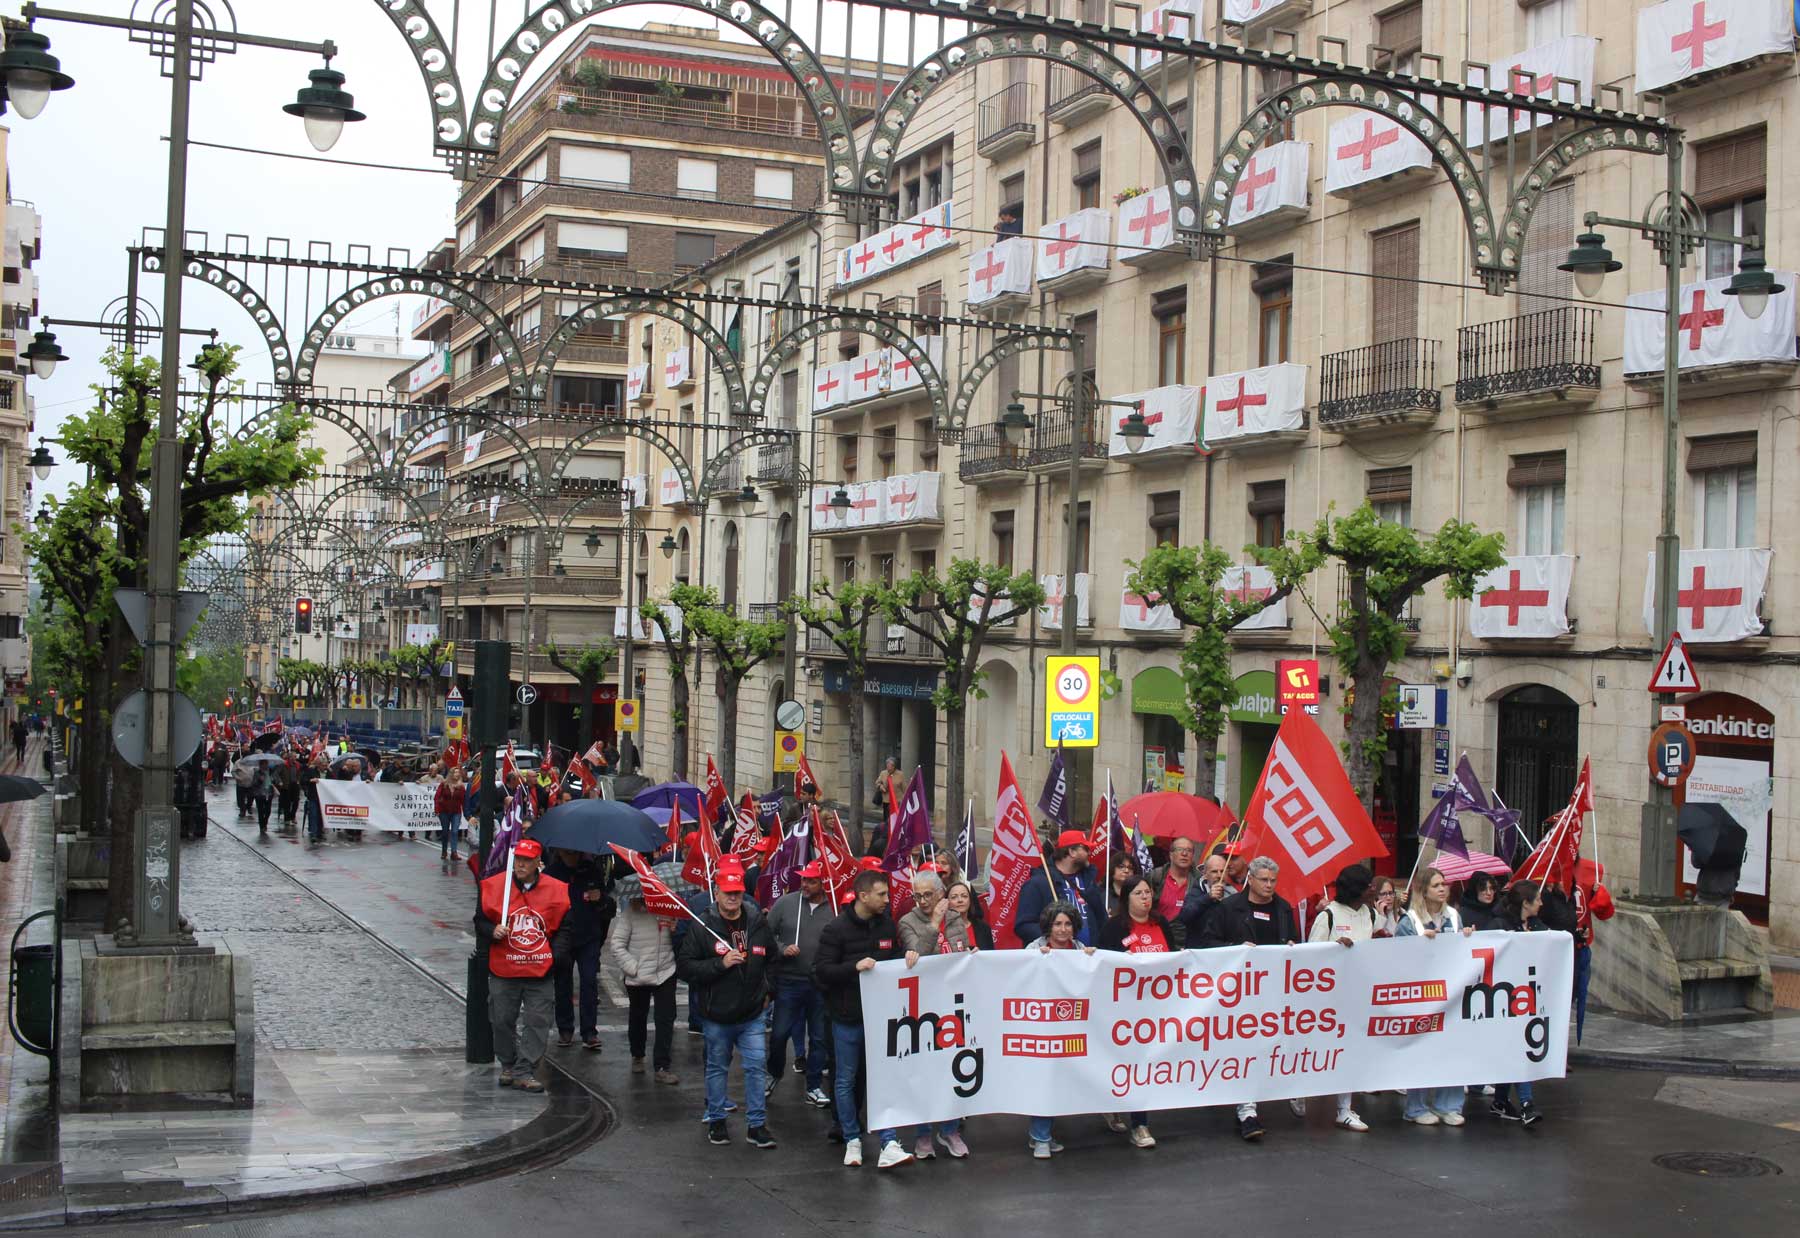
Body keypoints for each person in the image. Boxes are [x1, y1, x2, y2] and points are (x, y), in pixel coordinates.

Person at [814, 868, 910, 1169]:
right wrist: (853, 967)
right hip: (847, 1018)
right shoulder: (836, 929)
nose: (887, 899)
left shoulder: (887, 925)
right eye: (882, 894)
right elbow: (821, 971)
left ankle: (888, 1141)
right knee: (845, 1079)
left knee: (882, 1078)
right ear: (863, 896)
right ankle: (852, 1138)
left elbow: (893, 959)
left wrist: (907, 957)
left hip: (879, 1017)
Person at [675, 869, 777, 1149]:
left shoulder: (756, 922)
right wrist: (720, 965)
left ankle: (756, 1125)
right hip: (717, 1015)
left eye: (737, 892)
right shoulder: (702, 925)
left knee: (756, 1066)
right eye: (728, 892)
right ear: (717, 893)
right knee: (717, 1068)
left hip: (752, 1013)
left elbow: (773, 959)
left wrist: (769, 992)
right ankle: (717, 1120)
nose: (733, 897)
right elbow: (685, 967)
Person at [1201, 855, 1299, 1141]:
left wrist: (1292, 944)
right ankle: (1247, 1110)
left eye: (1273, 881)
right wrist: (1235, 948)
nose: (1269, 885)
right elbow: (1208, 942)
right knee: (1245, 1048)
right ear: (1250, 880)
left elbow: (1294, 940)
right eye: (1264, 880)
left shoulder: (1283, 908)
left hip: (1275, 990)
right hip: (1241, 992)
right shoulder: (1229, 908)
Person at [474, 838, 572, 1094]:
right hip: (504, 969)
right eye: (518, 859)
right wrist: (492, 930)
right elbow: (480, 920)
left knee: (538, 1021)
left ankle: (525, 1069)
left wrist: (554, 957)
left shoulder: (556, 889)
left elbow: (565, 928)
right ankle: (508, 1063)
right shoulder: (497, 886)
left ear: (538, 862)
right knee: (501, 1019)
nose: (520, 865)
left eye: (526, 861)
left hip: (540, 971)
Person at [897, 870, 971, 1160]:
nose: (923, 900)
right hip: (924, 1006)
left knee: (953, 1067)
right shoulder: (908, 921)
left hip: (952, 1002)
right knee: (925, 1071)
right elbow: (918, 955)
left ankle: (950, 1129)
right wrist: (933, 924)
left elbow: (960, 951)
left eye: (928, 894)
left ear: (940, 893)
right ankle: (923, 1133)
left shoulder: (955, 919)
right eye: (918, 895)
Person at [1301, 864, 1378, 1133]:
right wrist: (1334, 949)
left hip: (1358, 994)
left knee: (1350, 1050)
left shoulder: (1370, 913)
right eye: (1369, 885)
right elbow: (1310, 957)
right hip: (1328, 998)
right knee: (1318, 1050)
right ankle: (1298, 1091)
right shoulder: (1329, 916)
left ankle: (1344, 1109)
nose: (1373, 888)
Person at [1394, 866, 1473, 1125]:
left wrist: (1467, 938)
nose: (1442, 889)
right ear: (1423, 890)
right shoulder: (1410, 921)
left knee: (1452, 1048)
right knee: (1421, 1049)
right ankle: (1415, 1108)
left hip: (1450, 994)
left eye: (1444, 884)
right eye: (1436, 885)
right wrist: (1418, 945)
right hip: (1421, 996)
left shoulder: (1454, 916)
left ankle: (1447, 1105)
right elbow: (1396, 959)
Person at [1097, 876, 1172, 1149]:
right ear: (1126, 898)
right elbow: (1102, 964)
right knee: (1126, 1062)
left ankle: (1139, 1122)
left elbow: (1175, 957)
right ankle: (1123, 1111)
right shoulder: (1114, 927)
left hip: (1156, 1008)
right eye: (1138, 893)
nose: (1145, 898)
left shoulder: (1161, 923)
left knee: (1145, 1064)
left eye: (1148, 892)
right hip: (1124, 1010)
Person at [1024, 902, 1095, 1158]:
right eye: (1057, 924)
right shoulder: (1034, 949)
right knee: (1045, 1078)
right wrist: (1034, 961)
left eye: (1067, 924)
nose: (1063, 929)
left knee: (1060, 1081)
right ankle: (1041, 1137)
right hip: (1042, 1027)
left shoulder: (1081, 950)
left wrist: (1093, 960)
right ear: (1048, 926)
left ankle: (1040, 1134)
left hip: (1072, 1027)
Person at [765, 860, 833, 1107]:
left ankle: (813, 1086)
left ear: (823, 883)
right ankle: (773, 1074)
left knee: (818, 1038)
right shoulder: (785, 903)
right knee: (779, 1034)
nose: (805, 884)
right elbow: (765, 934)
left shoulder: (834, 907)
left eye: (812, 880)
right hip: (789, 981)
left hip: (820, 983)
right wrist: (782, 948)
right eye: (804, 879)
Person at [544, 849, 614, 1051]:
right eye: (568, 853)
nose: (572, 856)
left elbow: (607, 907)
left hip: (588, 936)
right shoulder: (551, 873)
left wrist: (599, 898)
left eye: (575, 853)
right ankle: (565, 1028)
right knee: (562, 983)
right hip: (562, 937)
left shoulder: (592, 870)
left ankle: (589, 1031)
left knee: (589, 982)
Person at [608, 891, 680, 1084]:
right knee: (638, 1016)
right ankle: (637, 1054)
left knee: (666, 1018)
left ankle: (662, 1067)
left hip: (665, 971)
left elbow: (682, 940)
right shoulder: (631, 912)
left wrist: (676, 930)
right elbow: (617, 944)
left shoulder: (669, 909)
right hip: (638, 975)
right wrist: (633, 968)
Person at [1491, 880, 1547, 1126]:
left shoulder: (1536, 925)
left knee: (1512, 1048)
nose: (1541, 904)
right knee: (1517, 1047)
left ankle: (1500, 1100)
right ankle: (1526, 1103)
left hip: (1527, 997)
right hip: (1504, 997)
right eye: (1538, 899)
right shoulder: (1500, 925)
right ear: (1526, 903)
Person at [1012, 830, 1098, 946]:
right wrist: (1054, 938)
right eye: (1086, 849)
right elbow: (1024, 925)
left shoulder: (1089, 881)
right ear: (1072, 852)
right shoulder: (1038, 883)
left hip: (1088, 954)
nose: (1089, 853)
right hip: (1052, 955)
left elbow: (1100, 919)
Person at [1570, 858, 1614, 1044]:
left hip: (1581, 948)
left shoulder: (1588, 870)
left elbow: (1605, 912)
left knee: (1578, 995)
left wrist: (1598, 894)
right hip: (1560, 951)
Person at [1147, 837, 1213, 947]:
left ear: (1192, 856)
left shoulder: (1200, 881)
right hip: (1159, 940)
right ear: (1171, 855)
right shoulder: (1155, 877)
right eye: (1179, 849)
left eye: (1189, 850)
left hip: (1188, 942)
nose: (1184, 854)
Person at [942, 879, 994, 951]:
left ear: (970, 900)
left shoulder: (983, 928)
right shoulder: (940, 928)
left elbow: (990, 954)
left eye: (964, 896)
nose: (960, 900)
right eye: (954, 897)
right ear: (947, 902)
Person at [434, 766, 465, 861]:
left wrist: (466, 813)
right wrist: (437, 809)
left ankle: (454, 852)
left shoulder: (461, 786)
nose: (457, 774)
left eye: (458, 772)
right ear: (451, 774)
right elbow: (437, 797)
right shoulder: (444, 784)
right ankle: (444, 851)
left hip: (456, 812)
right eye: (455, 772)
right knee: (445, 832)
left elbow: (464, 800)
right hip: (444, 811)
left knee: (455, 831)